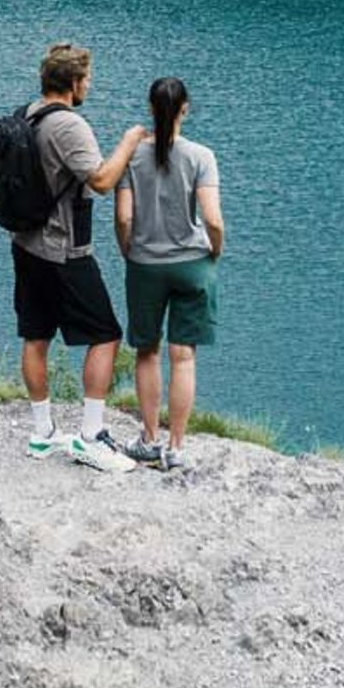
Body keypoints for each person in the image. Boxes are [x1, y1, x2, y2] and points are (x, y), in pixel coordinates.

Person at [12, 42, 145, 472]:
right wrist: (129, 141)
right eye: (87, 79)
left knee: (36, 336)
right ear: (72, 83)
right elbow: (103, 180)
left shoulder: (27, 115)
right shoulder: (68, 125)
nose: (89, 86)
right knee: (105, 334)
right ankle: (90, 436)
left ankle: (42, 434)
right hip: (65, 249)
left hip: (27, 244)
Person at [116, 77, 223, 474]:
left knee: (147, 352)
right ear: (185, 109)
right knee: (184, 357)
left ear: (150, 108)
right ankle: (176, 447)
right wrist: (216, 249)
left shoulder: (132, 158)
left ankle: (148, 439)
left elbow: (125, 217)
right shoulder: (201, 156)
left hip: (145, 263)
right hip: (192, 263)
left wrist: (130, 250)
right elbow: (212, 218)